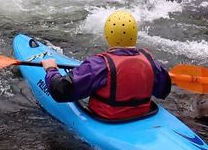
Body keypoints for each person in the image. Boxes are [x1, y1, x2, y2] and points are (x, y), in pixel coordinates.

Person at [41, 10, 171, 121]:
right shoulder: (150, 62)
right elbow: (164, 90)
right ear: (135, 34)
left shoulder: (98, 65)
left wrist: (51, 70)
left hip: (108, 121)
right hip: (143, 117)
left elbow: (61, 91)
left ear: (108, 35)